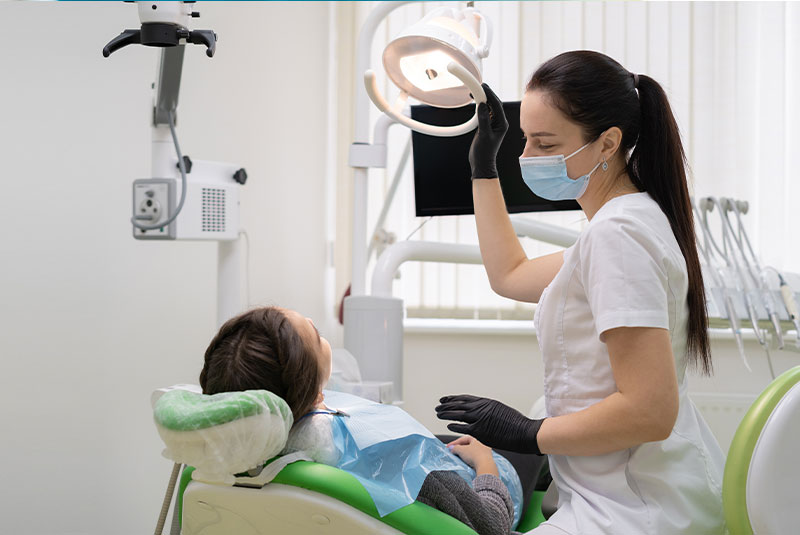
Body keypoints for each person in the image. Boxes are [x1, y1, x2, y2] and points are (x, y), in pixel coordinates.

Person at [435, 50, 726, 534]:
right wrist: (483, 167)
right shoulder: (624, 222)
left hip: (634, 510)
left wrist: (528, 433)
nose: (527, 157)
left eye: (545, 143)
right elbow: (510, 273)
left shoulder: (619, 237)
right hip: (621, 494)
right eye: (525, 140)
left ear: (608, 141)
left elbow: (650, 410)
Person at [199, 306, 521, 535]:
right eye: (315, 333)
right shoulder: (399, 457)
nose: (312, 319)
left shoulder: (236, 461)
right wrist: (486, 463)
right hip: (494, 491)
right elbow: (492, 527)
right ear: (315, 395)